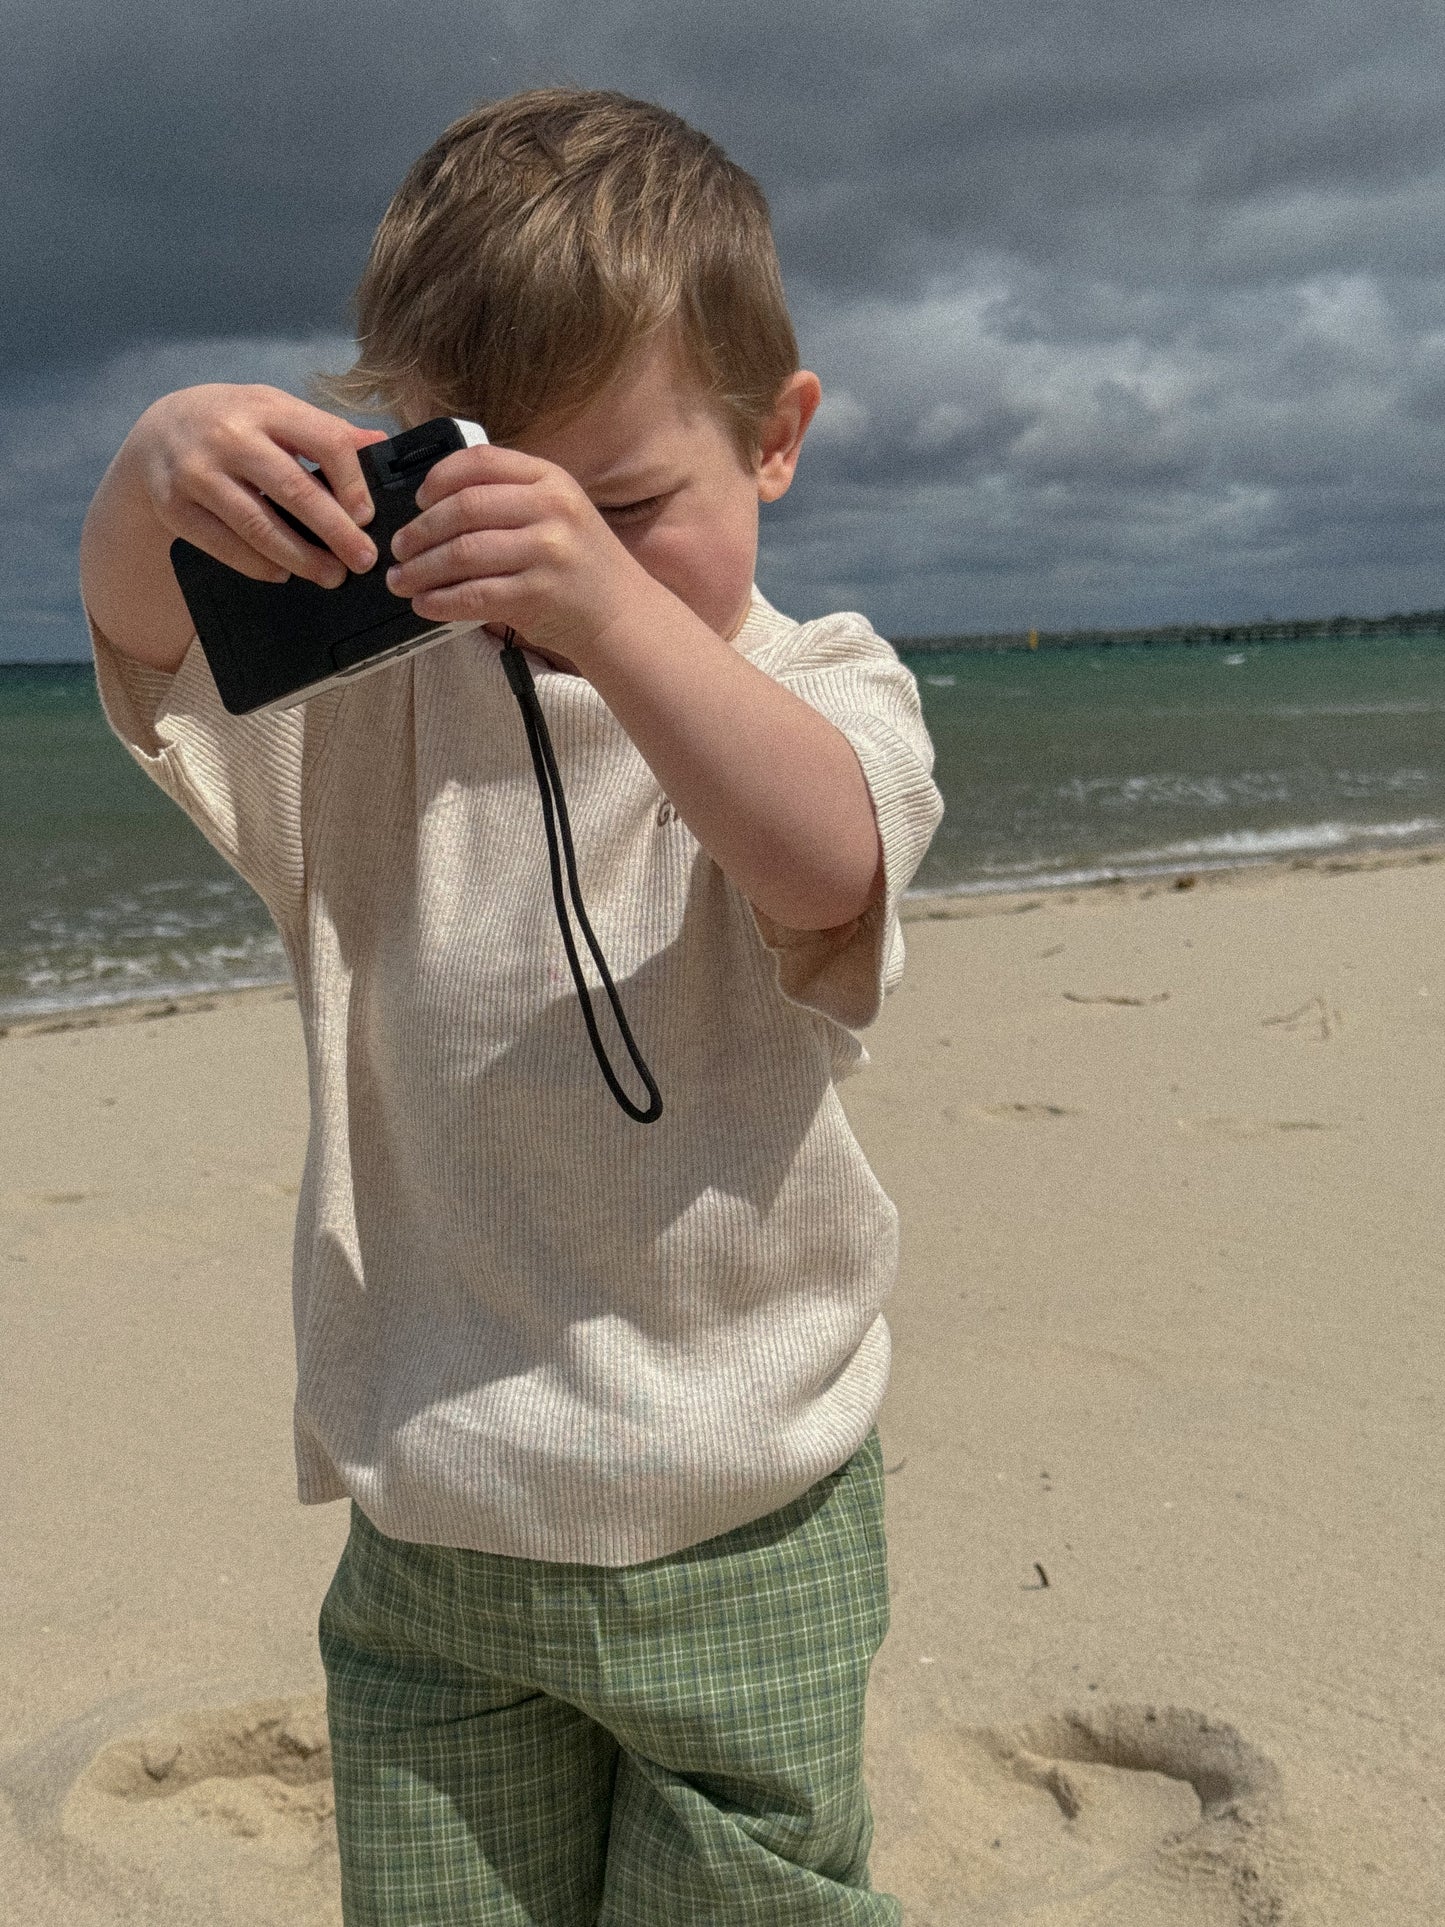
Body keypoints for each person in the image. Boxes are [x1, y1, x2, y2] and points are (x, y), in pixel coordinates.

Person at [78, 87, 943, 1926]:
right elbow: (149, 651)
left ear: (775, 439)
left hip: (748, 1508)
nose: (555, 566)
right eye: (492, 500)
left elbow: (828, 865)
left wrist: (622, 617)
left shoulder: (816, 680)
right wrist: (154, 473)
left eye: (625, 506)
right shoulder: (369, 719)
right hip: (437, 1519)